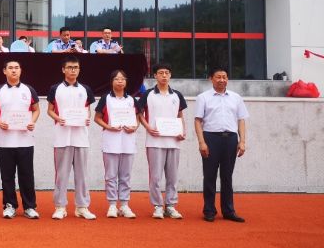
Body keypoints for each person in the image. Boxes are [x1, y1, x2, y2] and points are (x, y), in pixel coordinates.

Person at [194, 67, 249, 223]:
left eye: (224, 77)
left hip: (230, 139)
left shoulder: (236, 97)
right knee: (209, 176)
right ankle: (209, 210)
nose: (221, 80)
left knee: (227, 176)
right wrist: (201, 142)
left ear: (227, 79)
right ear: (211, 78)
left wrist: (242, 141)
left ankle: (229, 211)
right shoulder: (203, 97)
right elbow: (198, 121)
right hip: (210, 138)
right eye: (218, 77)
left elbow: (241, 120)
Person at [0, 60, 40, 219]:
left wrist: (32, 122)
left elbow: (36, 109)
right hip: (5, 141)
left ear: (20, 70)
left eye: (16, 68)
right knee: (7, 176)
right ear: (5, 71)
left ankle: (29, 206)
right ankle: (9, 205)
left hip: (25, 140)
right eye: (10, 68)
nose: (14, 70)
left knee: (27, 175)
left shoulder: (29, 90)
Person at [46, 56, 96, 220]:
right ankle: (60, 206)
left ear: (79, 70)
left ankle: (82, 206)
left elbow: (87, 110)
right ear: (63, 69)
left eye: (75, 67)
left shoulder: (85, 89)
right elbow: (49, 110)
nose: (73, 70)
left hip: (81, 137)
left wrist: (87, 118)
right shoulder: (55, 88)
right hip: (62, 137)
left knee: (82, 174)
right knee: (61, 174)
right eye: (69, 67)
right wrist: (58, 118)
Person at [137, 63, 188, 220]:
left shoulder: (177, 95)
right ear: (155, 76)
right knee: (155, 177)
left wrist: (183, 131)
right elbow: (139, 114)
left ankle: (171, 206)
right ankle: (158, 206)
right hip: (154, 141)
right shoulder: (148, 94)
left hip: (174, 142)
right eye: (161, 73)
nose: (164, 75)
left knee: (172, 176)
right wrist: (148, 127)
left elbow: (180, 115)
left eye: (167, 72)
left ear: (170, 75)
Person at [94, 70, 139, 219]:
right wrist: (108, 127)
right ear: (112, 81)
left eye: (122, 79)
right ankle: (112, 204)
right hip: (110, 141)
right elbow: (97, 118)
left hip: (128, 142)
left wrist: (135, 127)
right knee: (111, 176)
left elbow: (138, 117)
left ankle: (124, 205)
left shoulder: (131, 99)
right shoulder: (106, 98)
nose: (120, 81)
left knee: (125, 175)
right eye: (117, 79)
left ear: (126, 82)